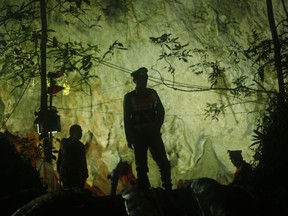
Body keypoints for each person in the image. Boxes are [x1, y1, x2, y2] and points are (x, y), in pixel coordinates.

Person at [123, 67, 172, 191]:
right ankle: (145, 188)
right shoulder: (129, 97)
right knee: (141, 165)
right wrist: (129, 137)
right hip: (138, 134)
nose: (143, 83)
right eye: (140, 80)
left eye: (144, 80)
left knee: (163, 161)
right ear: (135, 82)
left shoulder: (152, 93)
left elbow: (161, 111)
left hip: (152, 133)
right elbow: (127, 118)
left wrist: (157, 126)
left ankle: (168, 185)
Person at [57, 124, 88, 189]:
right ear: (74, 133)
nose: (81, 134)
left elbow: (83, 160)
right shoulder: (66, 143)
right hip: (71, 175)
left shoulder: (78, 145)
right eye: (80, 132)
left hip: (74, 175)